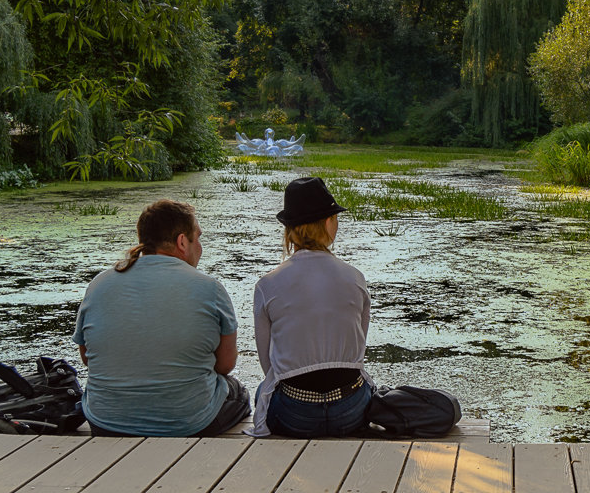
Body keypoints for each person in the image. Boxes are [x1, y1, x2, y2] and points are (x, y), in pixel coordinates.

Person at [73, 199, 250, 436]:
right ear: (181, 241)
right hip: (190, 423)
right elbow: (226, 365)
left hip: (105, 421)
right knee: (238, 392)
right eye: (198, 237)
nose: (200, 246)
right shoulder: (210, 288)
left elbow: (87, 357)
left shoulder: (98, 284)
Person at [250, 177, 372, 437]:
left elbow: (267, 363)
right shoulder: (355, 277)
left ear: (289, 230)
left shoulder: (267, 284)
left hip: (295, 414)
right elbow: (357, 349)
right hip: (350, 412)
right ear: (328, 223)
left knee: (263, 389)